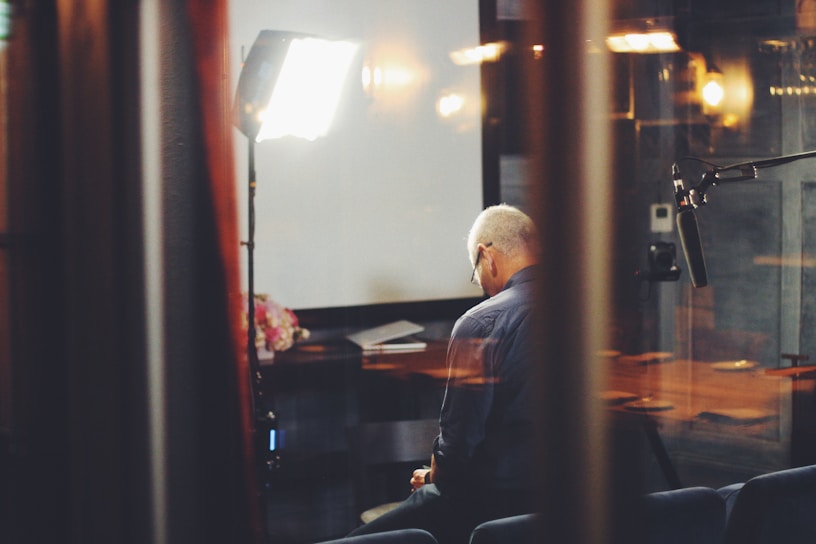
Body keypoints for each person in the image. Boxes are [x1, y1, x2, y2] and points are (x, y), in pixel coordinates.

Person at [347, 204, 539, 544]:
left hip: (491, 502)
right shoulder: (586, 308)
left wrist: (435, 476)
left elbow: (461, 440)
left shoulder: (481, 322)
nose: (481, 284)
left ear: (486, 255)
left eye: (474, 272)